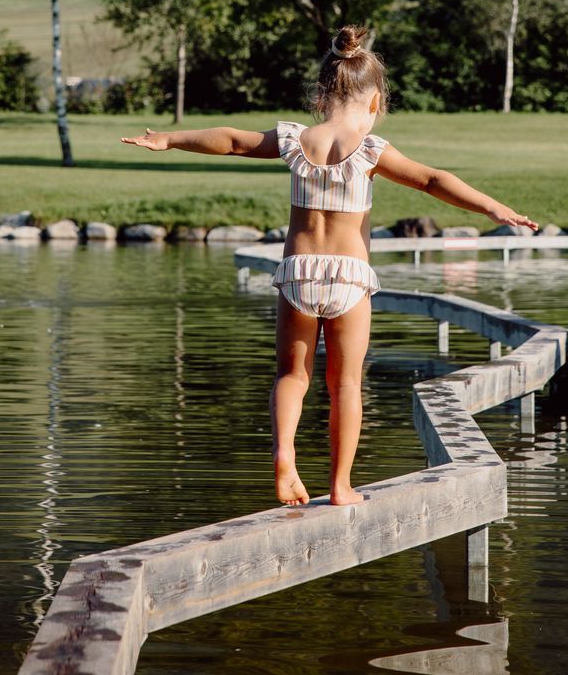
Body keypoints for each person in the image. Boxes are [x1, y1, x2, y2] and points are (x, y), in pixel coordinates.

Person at [122, 26, 537, 508]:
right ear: (375, 101)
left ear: (321, 95)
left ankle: (284, 456)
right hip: (349, 277)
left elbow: (233, 140)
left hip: (297, 271)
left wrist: (170, 139)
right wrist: (493, 208)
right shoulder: (371, 150)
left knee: (291, 376)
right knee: (345, 383)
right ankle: (340, 486)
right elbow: (432, 179)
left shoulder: (296, 139)